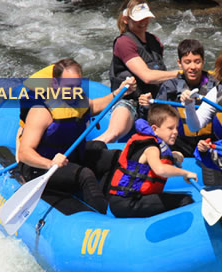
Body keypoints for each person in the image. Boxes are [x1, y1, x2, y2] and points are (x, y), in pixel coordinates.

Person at [18, 58, 136, 214]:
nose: (73, 91)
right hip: (42, 168)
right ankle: (102, 217)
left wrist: (120, 92)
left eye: (77, 86)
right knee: (84, 175)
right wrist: (49, 163)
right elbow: (24, 152)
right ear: (55, 84)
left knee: (117, 157)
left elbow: (96, 105)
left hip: (71, 158)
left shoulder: (78, 100)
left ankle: (111, 199)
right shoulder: (42, 110)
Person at [95, 0, 179, 143]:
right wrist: (179, 73)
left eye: (146, 18)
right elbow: (147, 76)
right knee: (113, 133)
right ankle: (88, 152)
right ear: (126, 20)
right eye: (138, 19)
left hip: (153, 100)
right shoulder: (124, 43)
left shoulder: (154, 40)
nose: (143, 22)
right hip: (130, 100)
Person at [109, 104, 197, 218]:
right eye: (170, 128)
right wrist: (185, 173)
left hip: (123, 201)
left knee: (176, 197)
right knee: (185, 200)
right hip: (127, 203)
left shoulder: (152, 144)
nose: (175, 132)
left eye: (176, 128)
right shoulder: (151, 147)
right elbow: (160, 169)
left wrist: (173, 155)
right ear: (155, 129)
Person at [139, 39, 218, 157]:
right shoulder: (170, 87)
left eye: (197, 62)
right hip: (179, 143)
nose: (193, 67)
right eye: (187, 62)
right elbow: (155, 119)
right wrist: (146, 107)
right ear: (179, 63)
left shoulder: (216, 85)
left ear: (203, 62)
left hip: (208, 142)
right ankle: (172, 155)